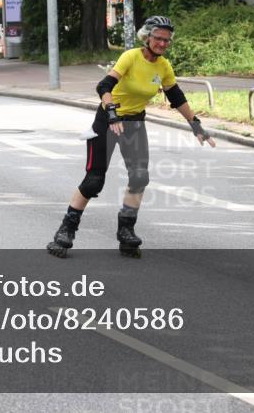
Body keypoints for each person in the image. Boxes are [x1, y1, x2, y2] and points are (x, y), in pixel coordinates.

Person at [46, 15, 216, 258]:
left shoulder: (163, 66)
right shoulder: (130, 57)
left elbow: (176, 96)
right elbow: (104, 86)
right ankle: (66, 230)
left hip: (134, 123)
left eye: (167, 40)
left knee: (139, 178)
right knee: (95, 180)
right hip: (108, 122)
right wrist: (112, 114)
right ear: (147, 37)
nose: (162, 44)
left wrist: (195, 124)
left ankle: (126, 232)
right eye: (158, 38)